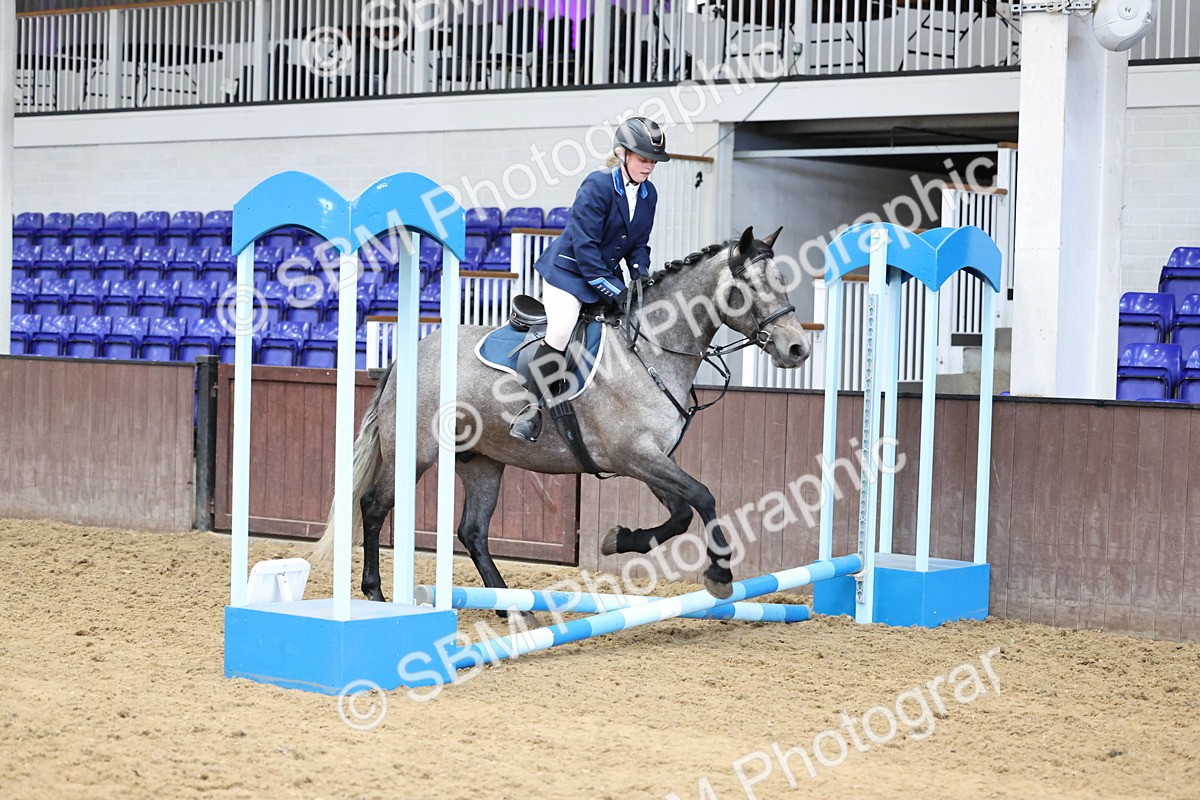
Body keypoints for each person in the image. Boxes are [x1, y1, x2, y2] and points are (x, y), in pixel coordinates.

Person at [509, 116, 670, 442]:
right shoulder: (597, 185)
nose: (649, 166)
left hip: (603, 275)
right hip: (569, 274)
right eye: (643, 159)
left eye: (653, 161)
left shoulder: (648, 194)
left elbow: (638, 244)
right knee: (562, 328)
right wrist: (616, 291)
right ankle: (530, 409)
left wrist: (640, 277)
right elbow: (585, 248)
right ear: (623, 154)